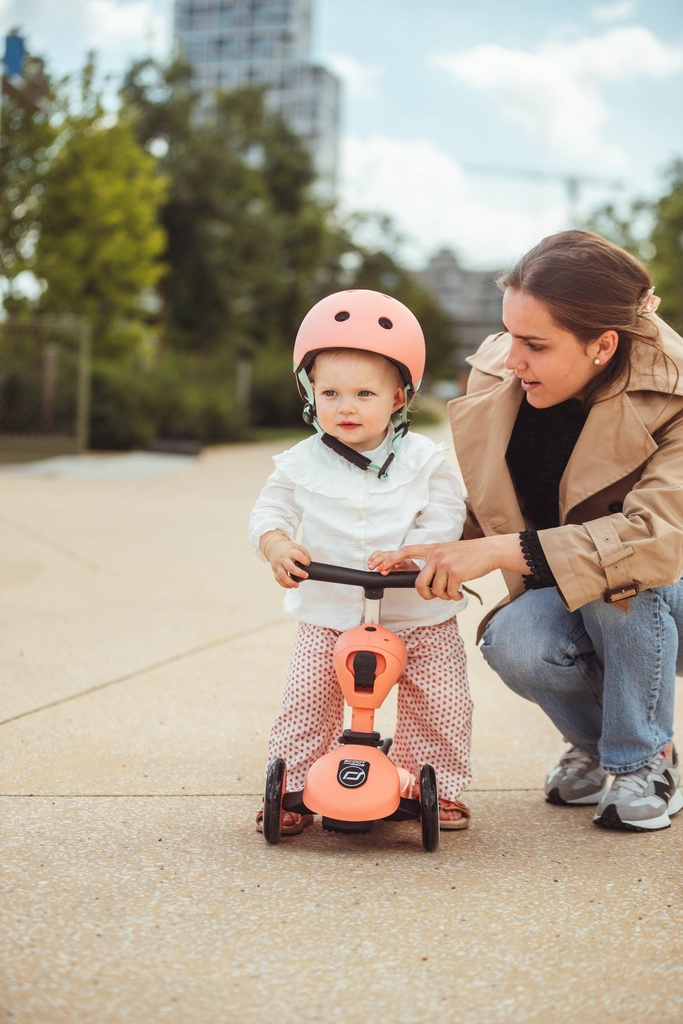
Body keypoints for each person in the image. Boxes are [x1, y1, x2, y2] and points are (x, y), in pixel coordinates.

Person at [378, 230, 683, 833]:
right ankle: (597, 748)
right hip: (575, 585)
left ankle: (646, 761)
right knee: (515, 640)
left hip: (664, 589)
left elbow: (654, 540)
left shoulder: (675, 395)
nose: (512, 358)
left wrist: (498, 551)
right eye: (510, 334)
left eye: (535, 344)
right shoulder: (503, 375)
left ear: (603, 345)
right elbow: (498, 505)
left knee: (618, 581)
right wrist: (429, 543)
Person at [249, 289, 473, 834]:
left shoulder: (425, 460)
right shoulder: (301, 461)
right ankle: (293, 787)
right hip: (329, 609)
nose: (345, 407)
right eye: (330, 393)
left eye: (364, 393)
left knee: (440, 699)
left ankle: (433, 784)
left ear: (398, 397)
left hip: (417, 610)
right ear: (310, 393)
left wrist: (416, 550)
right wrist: (276, 543)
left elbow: (448, 511)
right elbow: (270, 508)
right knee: (307, 697)